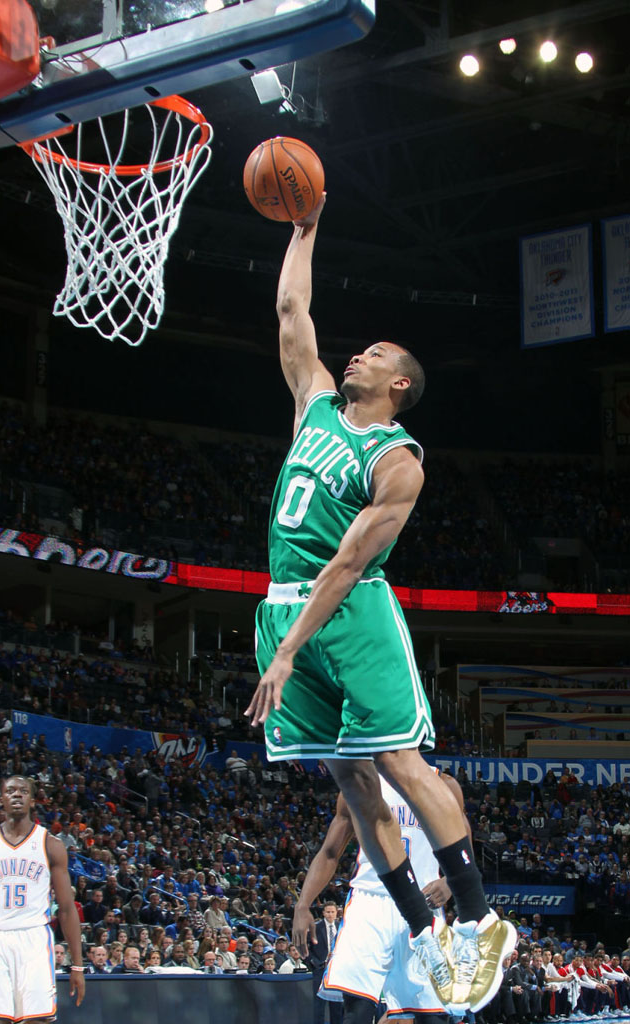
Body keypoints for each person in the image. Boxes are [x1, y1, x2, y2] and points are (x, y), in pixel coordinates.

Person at [245, 195, 514, 1012]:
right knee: (351, 779)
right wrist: (304, 229)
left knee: (399, 763)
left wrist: (290, 648)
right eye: (356, 349)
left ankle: (477, 919)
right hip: (281, 604)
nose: (354, 355)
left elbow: (347, 560)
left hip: (349, 611)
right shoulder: (315, 407)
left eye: (375, 353)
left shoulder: (396, 461)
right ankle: (427, 937)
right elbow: (293, 309)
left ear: (398, 384)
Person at [295, 770, 470, 1024]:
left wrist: (451, 881)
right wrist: (303, 904)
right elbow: (330, 852)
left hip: (422, 903)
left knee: (431, 1017)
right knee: (357, 1011)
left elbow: (465, 848)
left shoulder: (444, 785)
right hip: (370, 902)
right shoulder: (358, 784)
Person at [0, 776, 85, 1021]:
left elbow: (65, 909)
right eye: (10, 791)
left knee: (36, 1019)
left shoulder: (50, 845)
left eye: (23, 791)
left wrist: (77, 965)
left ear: (32, 801)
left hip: (33, 938)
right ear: (1, 800)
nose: (17, 795)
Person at [307, 903, 343, 1024]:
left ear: (336, 913)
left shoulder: (342, 927)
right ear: (323, 913)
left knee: (337, 1006)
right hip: (320, 970)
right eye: (328, 912)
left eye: (332, 912)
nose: (330, 914)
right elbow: (307, 948)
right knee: (319, 1005)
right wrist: (314, 963)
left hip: (337, 971)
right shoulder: (315, 928)